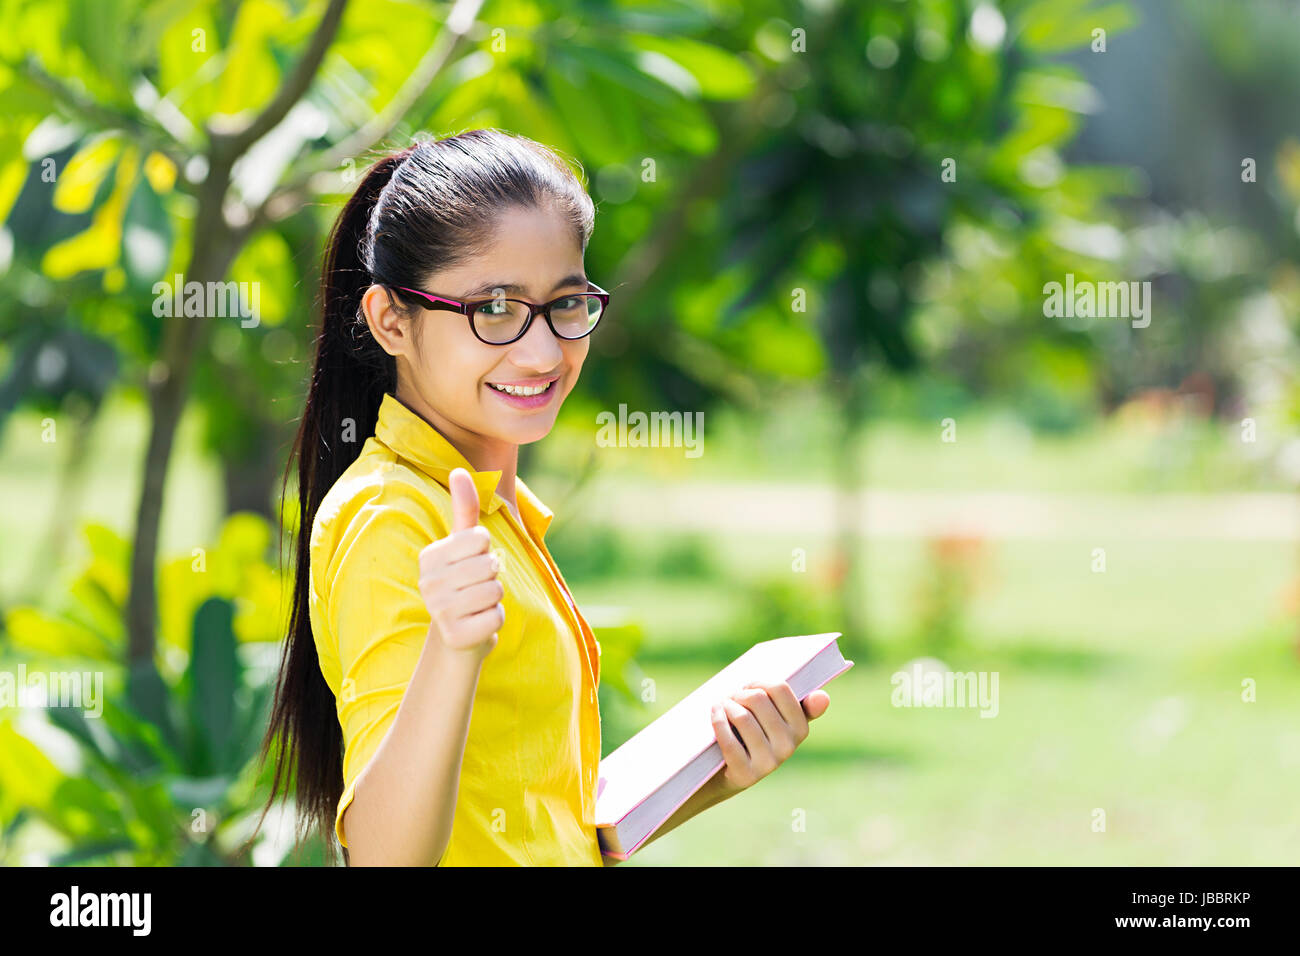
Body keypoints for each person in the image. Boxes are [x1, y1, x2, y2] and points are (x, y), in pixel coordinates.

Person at [260, 128, 831, 866]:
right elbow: (385, 856)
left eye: (566, 303)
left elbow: (525, 824)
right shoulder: (393, 519)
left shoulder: (491, 511)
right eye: (494, 309)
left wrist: (717, 770)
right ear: (390, 319)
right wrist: (451, 647)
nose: (541, 351)